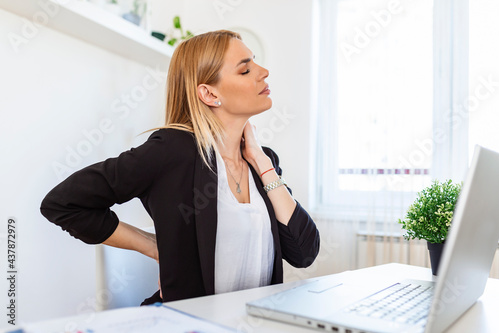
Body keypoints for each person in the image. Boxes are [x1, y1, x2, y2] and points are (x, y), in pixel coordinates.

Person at [40, 30, 320, 306]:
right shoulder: (173, 150)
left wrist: (262, 162)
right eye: (245, 70)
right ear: (209, 94)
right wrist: (153, 245)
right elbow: (63, 203)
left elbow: (304, 253)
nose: (264, 71)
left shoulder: (262, 162)